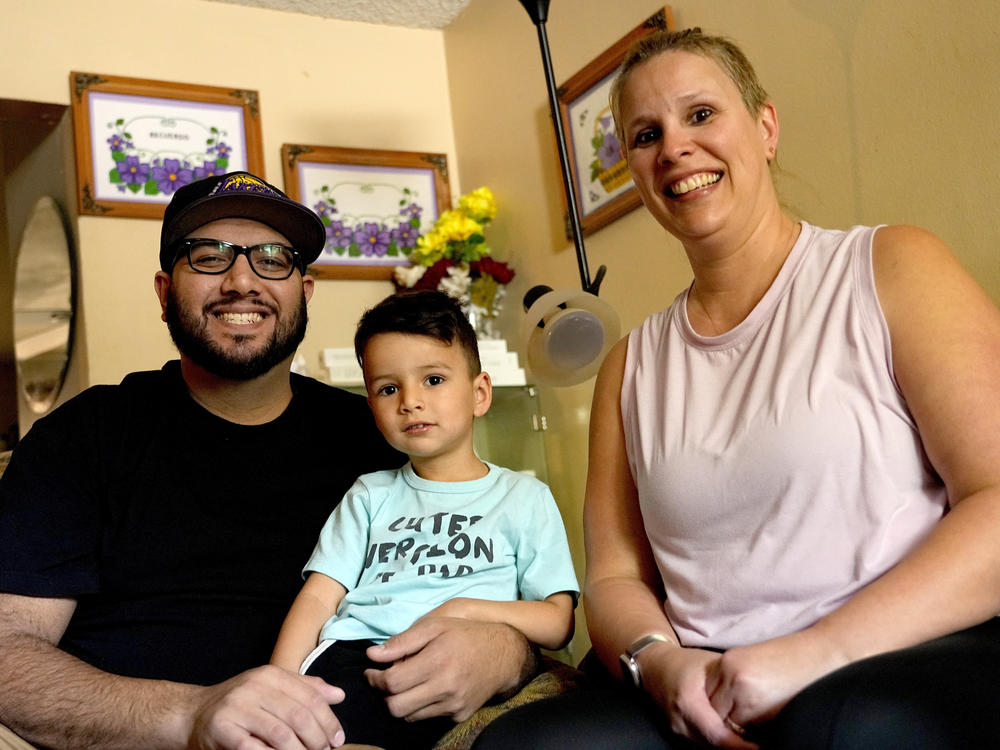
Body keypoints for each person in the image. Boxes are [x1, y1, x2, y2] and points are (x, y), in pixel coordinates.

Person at [471, 27, 1000, 750]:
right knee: (525, 746)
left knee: (840, 729)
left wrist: (815, 656)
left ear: (765, 127)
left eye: (700, 115)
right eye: (645, 134)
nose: (675, 149)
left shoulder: (892, 266)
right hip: (706, 676)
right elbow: (617, 577)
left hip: (898, 653)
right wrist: (661, 663)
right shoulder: (630, 366)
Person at [0, 172, 542, 750]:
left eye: (272, 258)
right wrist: (189, 714)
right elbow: (8, 650)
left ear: (303, 293)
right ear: (164, 293)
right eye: (208, 256)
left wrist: (503, 650)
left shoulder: (384, 434)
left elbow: (506, 583)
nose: (242, 281)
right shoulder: (87, 435)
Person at [270, 289, 579, 749]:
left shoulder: (524, 497)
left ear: (479, 393)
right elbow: (318, 599)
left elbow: (557, 623)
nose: (410, 401)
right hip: (360, 658)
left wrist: (465, 609)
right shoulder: (369, 494)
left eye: (433, 380)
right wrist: (275, 686)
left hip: (467, 664)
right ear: (372, 409)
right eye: (389, 388)